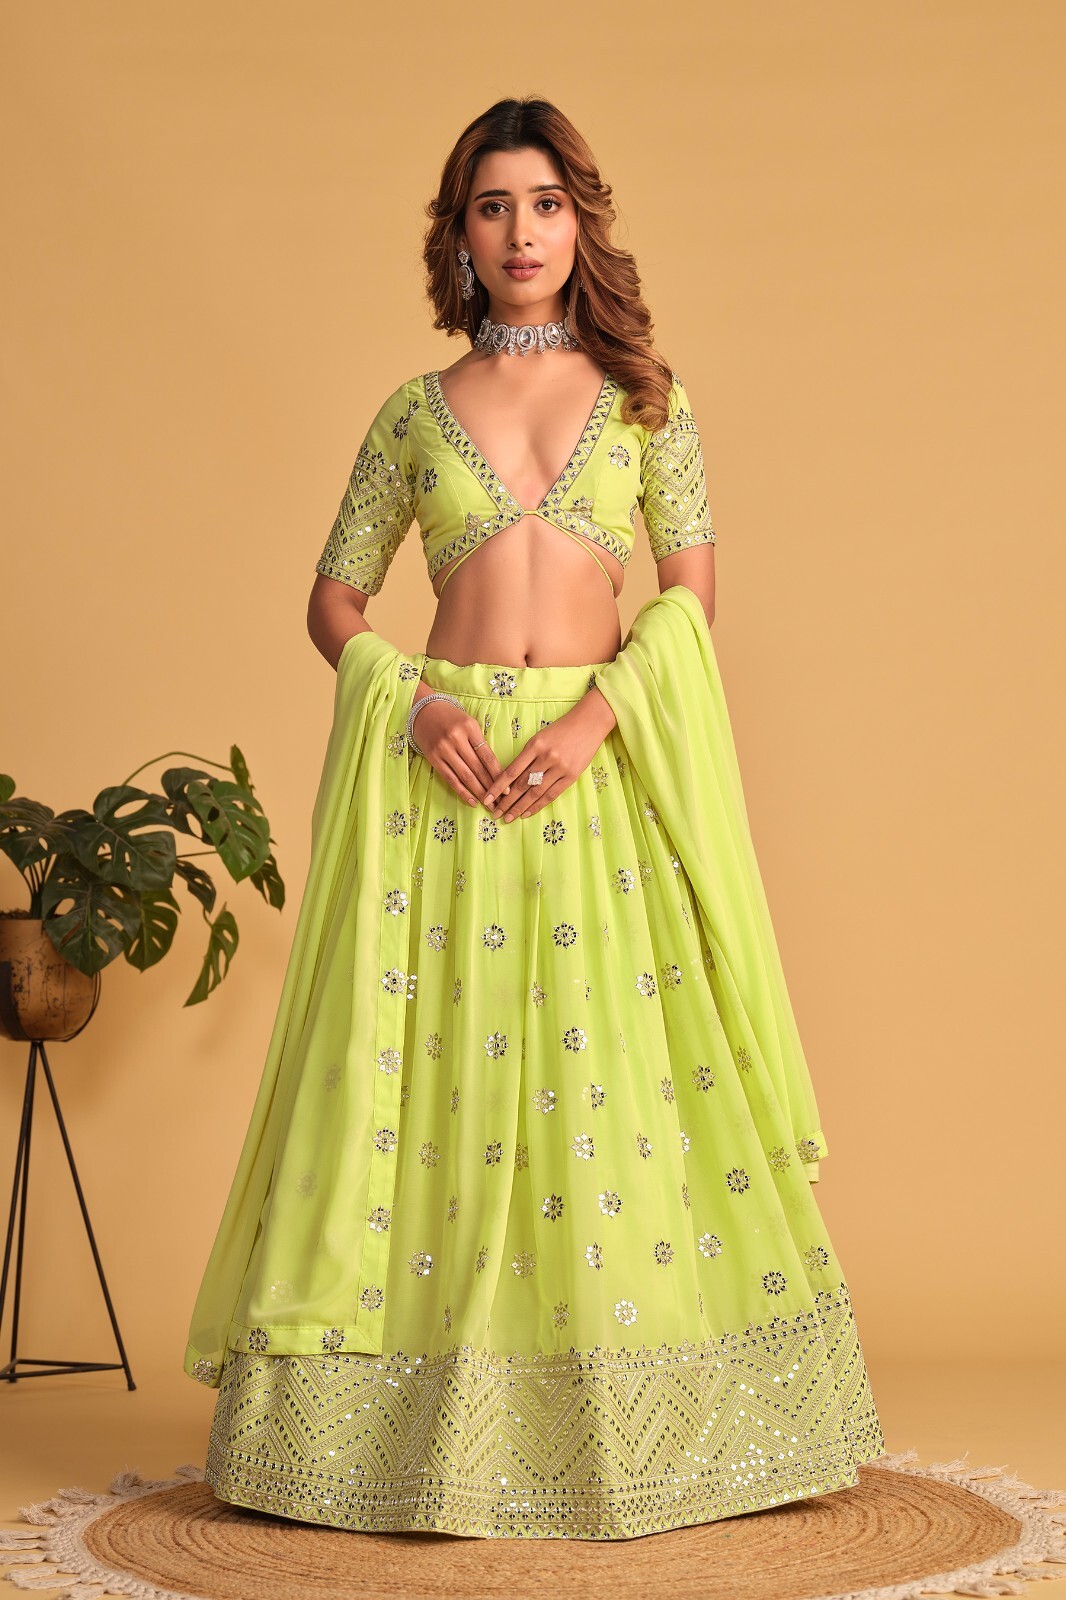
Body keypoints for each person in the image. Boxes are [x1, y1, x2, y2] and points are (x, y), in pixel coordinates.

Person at [183, 95, 887, 1541]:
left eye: (546, 204)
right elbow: (333, 600)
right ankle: (403, 1438)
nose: (521, 232)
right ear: (459, 232)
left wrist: (597, 716)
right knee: (424, 1090)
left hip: (590, 776)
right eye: (494, 206)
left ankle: (631, 1435)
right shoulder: (412, 410)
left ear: (582, 223)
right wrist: (408, 703)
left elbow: (689, 599)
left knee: (609, 1091)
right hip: (440, 782)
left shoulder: (647, 401)